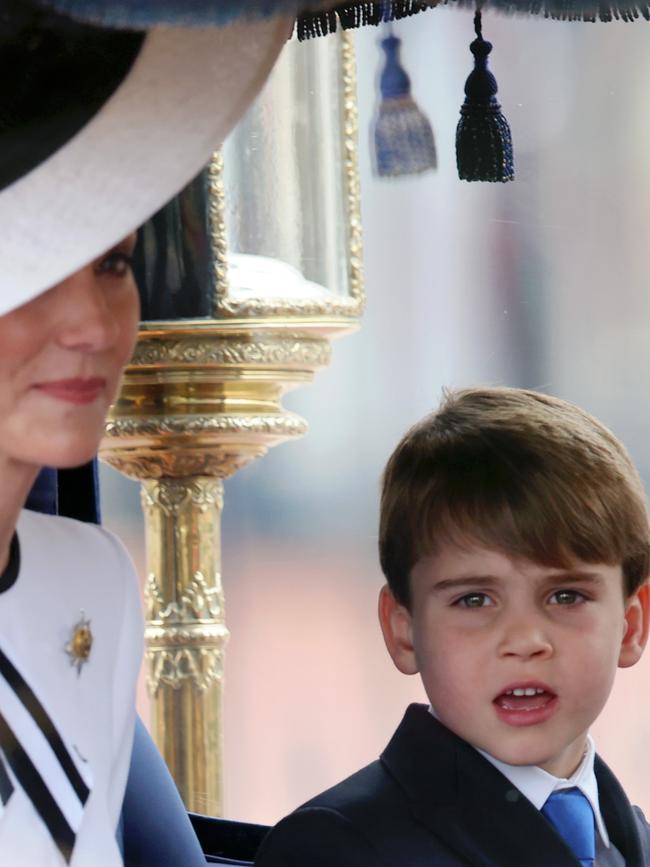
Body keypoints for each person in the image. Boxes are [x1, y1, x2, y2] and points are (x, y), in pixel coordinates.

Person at [255, 386, 650, 866]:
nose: (525, 641)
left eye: (566, 596)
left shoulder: (633, 841)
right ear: (403, 630)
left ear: (631, 627)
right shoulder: (338, 849)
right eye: (474, 599)